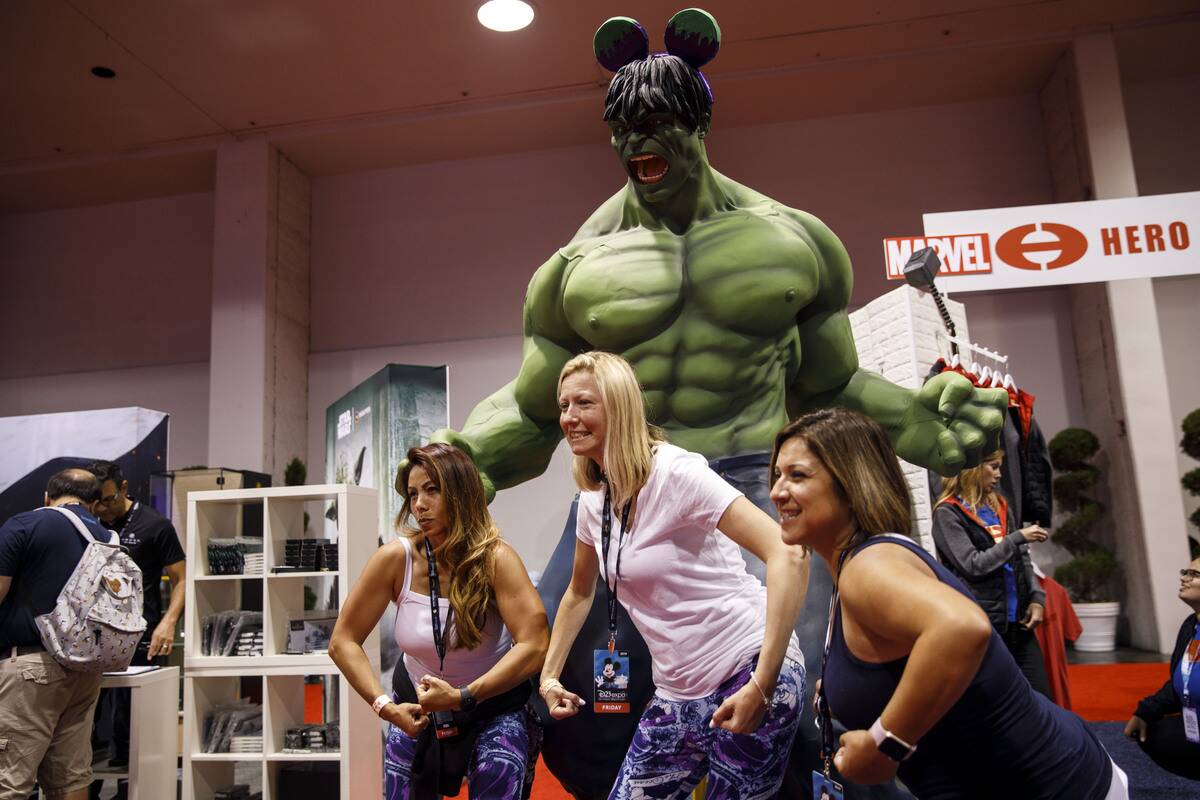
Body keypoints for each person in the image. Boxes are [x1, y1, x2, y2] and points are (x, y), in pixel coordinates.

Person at [412, 11, 1007, 795]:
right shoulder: (578, 269)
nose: (636, 144)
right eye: (621, 128)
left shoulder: (794, 242)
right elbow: (533, 411)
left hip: (753, 481)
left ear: (699, 123)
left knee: (797, 700)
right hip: (626, 484)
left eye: (656, 124)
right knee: (541, 682)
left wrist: (924, 428)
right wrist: (464, 464)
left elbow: (828, 388)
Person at [770, 407, 1128, 799]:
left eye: (797, 475)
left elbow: (960, 628)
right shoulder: (861, 561)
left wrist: (885, 744)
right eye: (777, 476)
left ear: (851, 481)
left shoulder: (868, 565)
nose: (776, 491)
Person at [539, 351, 809, 799]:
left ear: (620, 406)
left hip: (745, 669)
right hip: (678, 692)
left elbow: (789, 553)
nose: (570, 417)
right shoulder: (593, 501)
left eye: (584, 403)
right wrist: (549, 678)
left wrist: (763, 682)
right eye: (564, 405)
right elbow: (578, 594)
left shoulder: (677, 473)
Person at [330, 443, 549, 800]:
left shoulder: (497, 559)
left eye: (432, 489)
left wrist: (464, 697)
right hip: (417, 710)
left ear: (460, 492)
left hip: (491, 708)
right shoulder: (394, 559)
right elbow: (342, 641)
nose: (419, 504)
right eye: (413, 493)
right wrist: (385, 706)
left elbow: (536, 642)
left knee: (498, 770)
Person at [0, 469, 114, 800]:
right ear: (94, 504)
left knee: (9, 778)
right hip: (84, 669)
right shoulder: (105, 538)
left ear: (47, 497)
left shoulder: (24, 525)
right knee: (71, 777)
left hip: (29, 668)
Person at [84, 460, 185, 798]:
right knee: (86, 730)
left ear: (124, 488)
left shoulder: (155, 525)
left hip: (142, 642)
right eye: (97, 501)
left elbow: (183, 579)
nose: (103, 508)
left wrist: (168, 623)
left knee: (137, 733)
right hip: (90, 644)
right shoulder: (87, 524)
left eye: (109, 499)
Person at [931, 451, 1053, 698]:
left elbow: (1023, 558)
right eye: (993, 467)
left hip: (1018, 622)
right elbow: (973, 566)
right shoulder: (948, 513)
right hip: (984, 625)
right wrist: (1017, 537)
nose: (999, 474)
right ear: (973, 469)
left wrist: (1037, 598)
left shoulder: (1000, 505)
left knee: (1042, 698)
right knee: (996, 702)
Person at [1123, 556, 1200, 779]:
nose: (1184, 578)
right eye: (1185, 572)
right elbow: (1179, 680)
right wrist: (1146, 711)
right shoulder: (1190, 624)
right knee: (1155, 734)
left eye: (1194, 575)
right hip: (1194, 719)